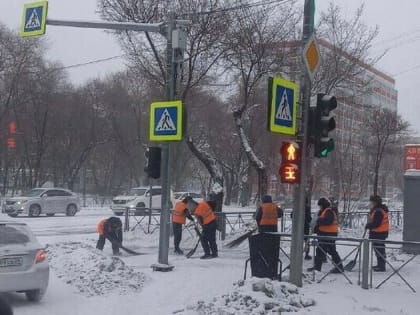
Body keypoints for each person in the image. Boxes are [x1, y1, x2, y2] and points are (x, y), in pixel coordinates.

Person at [308, 197, 344, 273]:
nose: (319, 207)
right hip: (327, 233)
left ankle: (338, 267)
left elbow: (327, 221)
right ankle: (337, 267)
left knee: (328, 251)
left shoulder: (328, 211)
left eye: (320, 206)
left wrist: (318, 220)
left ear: (323, 205)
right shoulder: (326, 211)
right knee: (322, 250)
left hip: (328, 234)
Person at [365, 195, 389, 272]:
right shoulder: (378, 210)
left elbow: (376, 223)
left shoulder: (378, 211)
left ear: (375, 202)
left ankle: (381, 266)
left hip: (379, 233)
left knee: (379, 249)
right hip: (380, 232)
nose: (370, 203)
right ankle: (380, 265)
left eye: (371, 202)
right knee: (379, 249)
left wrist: (368, 225)